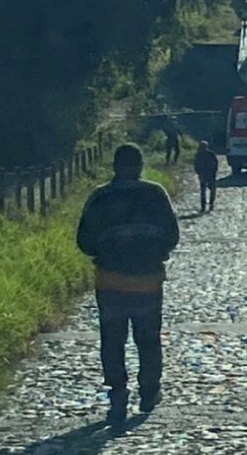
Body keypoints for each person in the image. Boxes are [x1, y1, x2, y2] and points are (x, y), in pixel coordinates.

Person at [76, 143, 180, 427]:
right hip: (147, 282)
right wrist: (155, 252)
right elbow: (172, 235)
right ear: (141, 165)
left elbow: (84, 241)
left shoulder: (100, 197)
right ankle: (149, 391)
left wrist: (107, 250)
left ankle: (118, 394)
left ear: (114, 166)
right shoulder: (155, 194)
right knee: (148, 338)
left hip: (111, 283)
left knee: (113, 340)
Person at [194, 140, 219, 212]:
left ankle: (208, 204)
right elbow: (196, 165)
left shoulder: (208, 154)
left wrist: (214, 171)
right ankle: (205, 205)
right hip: (206, 174)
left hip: (208, 174)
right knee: (205, 190)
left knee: (206, 190)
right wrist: (198, 172)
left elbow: (216, 163)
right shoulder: (209, 154)